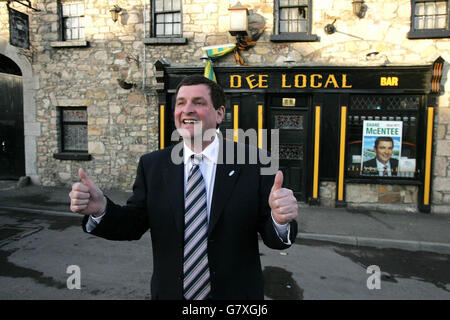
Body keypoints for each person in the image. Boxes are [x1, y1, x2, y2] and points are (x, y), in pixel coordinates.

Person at [69, 75, 298, 300]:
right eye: (181, 103)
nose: (187, 110)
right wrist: (101, 210)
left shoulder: (254, 163)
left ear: (219, 114)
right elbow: (133, 225)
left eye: (198, 103)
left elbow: (274, 238)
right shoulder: (153, 165)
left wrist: (279, 220)